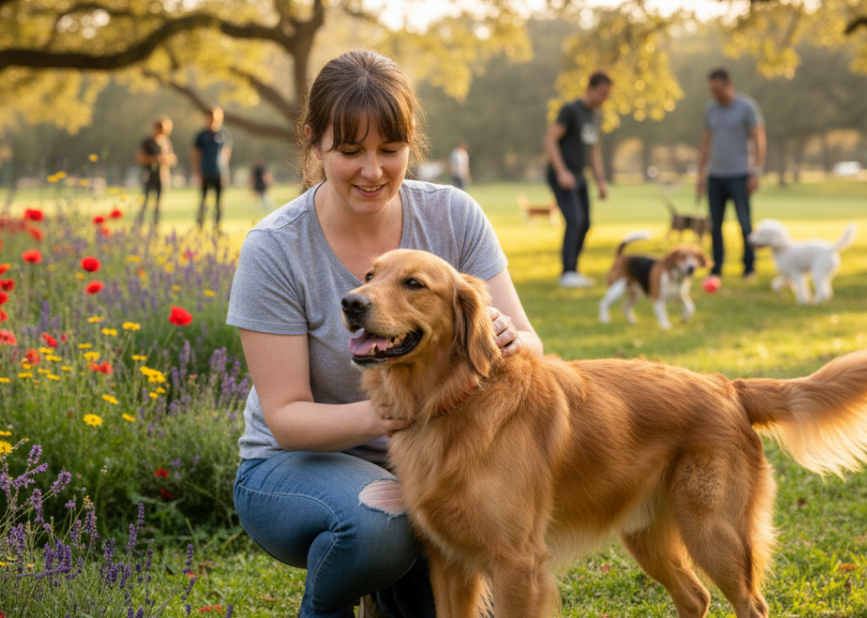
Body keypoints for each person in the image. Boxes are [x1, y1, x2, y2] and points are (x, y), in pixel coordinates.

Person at [227, 50, 543, 618]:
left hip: (431, 464)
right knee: (379, 526)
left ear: (411, 142)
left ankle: (391, 593)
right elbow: (287, 417)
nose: (373, 171)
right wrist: (396, 414)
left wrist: (508, 337)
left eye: (389, 150)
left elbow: (532, 343)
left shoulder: (453, 215)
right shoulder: (274, 248)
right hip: (293, 465)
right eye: (350, 152)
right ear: (313, 142)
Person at [542, 71, 612, 288]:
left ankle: (574, 270)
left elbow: (592, 151)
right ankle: (567, 273)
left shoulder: (595, 116)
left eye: (608, 95)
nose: (604, 98)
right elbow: (550, 139)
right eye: (602, 93)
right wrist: (562, 171)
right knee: (574, 220)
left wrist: (600, 180)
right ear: (590, 88)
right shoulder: (571, 110)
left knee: (586, 223)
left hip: (580, 176)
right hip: (561, 174)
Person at [696, 68, 766, 281]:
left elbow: (758, 139)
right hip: (715, 175)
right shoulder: (711, 110)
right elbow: (706, 142)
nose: (715, 93)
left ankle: (749, 268)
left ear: (728, 84)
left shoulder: (746, 107)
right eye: (711, 90)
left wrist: (755, 171)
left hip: (739, 173)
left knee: (744, 224)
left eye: (717, 89)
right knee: (715, 225)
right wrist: (700, 174)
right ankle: (716, 267)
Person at [192, 106, 232, 230]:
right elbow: (195, 155)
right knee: (203, 202)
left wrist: (225, 171)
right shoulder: (201, 135)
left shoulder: (223, 134)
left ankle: (217, 227)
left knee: (218, 203)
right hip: (205, 172)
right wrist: (198, 172)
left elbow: (226, 154)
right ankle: (200, 226)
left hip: (219, 173)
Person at [134, 116, 176, 229]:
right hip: (149, 176)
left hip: (162, 177)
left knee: (159, 205)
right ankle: (138, 226)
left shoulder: (166, 142)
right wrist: (156, 159)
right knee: (144, 203)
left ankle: (155, 227)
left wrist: (167, 159)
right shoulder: (147, 142)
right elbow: (140, 158)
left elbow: (172, 158)